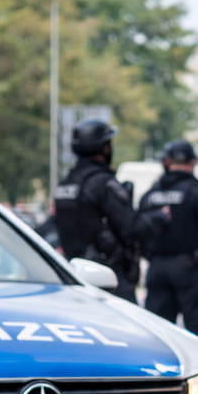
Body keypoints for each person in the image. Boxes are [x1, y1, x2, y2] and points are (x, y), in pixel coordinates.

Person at [51, 118, 158, 303]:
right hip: (108, 278)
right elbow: (131, 227)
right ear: (104, 148)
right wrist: (159, 217)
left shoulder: (66, 183)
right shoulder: (101, 183)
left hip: (72, 275)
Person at [139, 140, 198, 341]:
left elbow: (137, 231)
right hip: (191, 268)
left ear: (166, 162)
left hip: (157, 268)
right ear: (193, 163)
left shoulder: (150, 195)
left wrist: (153, 256)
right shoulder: (197, 193)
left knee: (158, 334)